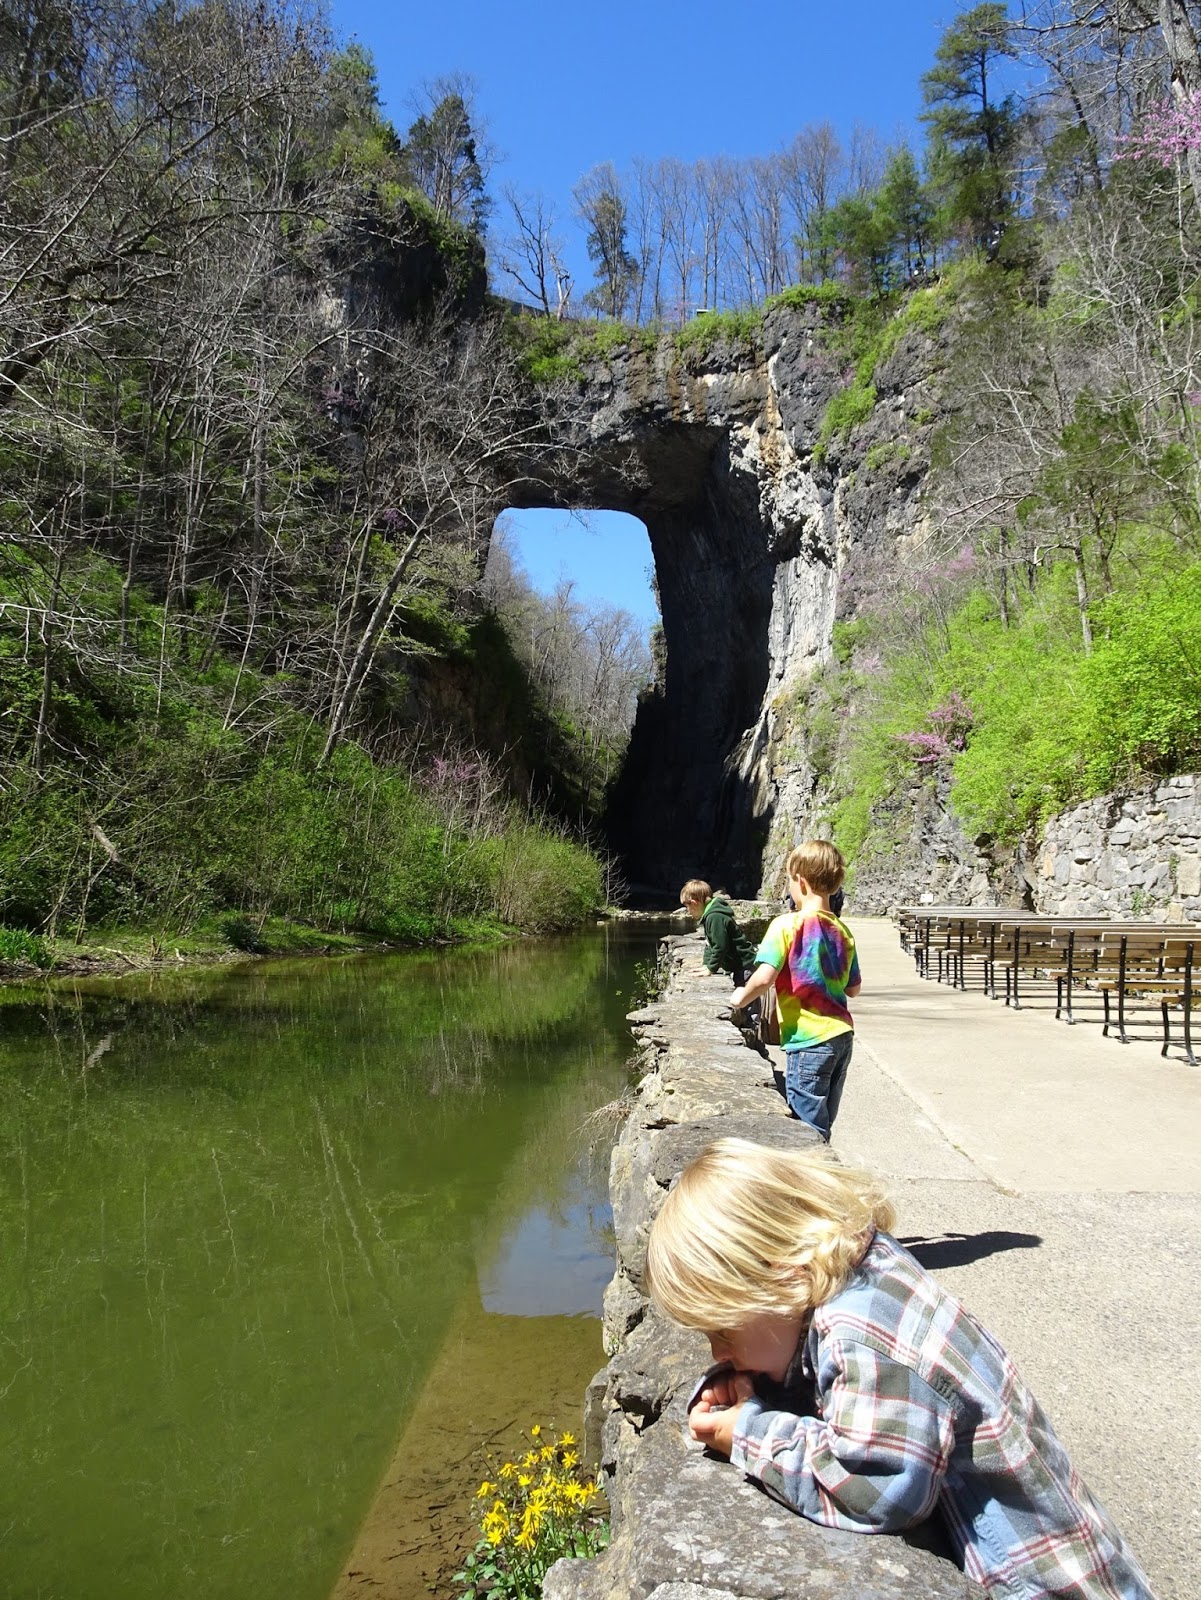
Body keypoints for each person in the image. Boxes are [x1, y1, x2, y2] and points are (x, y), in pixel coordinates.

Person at [644, 1139, 1156, 1600]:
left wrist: (749, 1434)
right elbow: (808, 1366)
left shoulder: (861, 1338)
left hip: (1045, 1584)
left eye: (723, 1333)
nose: (715, 1352)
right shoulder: (860, 1268)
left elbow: (877, 1488)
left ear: (780, 1278)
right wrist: (746, 1383)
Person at [729, 841, 859, 1139]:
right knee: (823, 1122)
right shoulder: (842, 931)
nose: (789, 887)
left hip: (809, 1041)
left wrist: (739, 998)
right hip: (842, 1037)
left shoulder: (786, 925)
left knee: (806, 1129)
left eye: (789, 880)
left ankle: (815, 1180)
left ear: (800, 881)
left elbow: (764, 978)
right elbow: (853, 988)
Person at [679, 879, 757, 987]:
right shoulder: (709, 915)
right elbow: (709, 944)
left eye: (687, 907)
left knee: (744, 998)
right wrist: (706, 964)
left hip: (744, 966)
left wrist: (711, 969)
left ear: (694, 903)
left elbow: (720, 946)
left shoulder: (715, 917)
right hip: (739, 966)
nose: (688, 911)